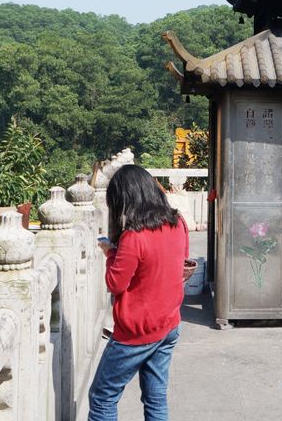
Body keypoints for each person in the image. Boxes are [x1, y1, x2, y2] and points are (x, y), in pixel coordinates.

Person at [89, 165, 189, 420]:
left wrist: (110, 252)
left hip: (137, 332)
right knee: (156, 399)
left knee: (102, 397)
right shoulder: (177, 222)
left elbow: (115, 283)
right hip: (168, 325)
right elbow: (180, 261)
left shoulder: (134, 236)